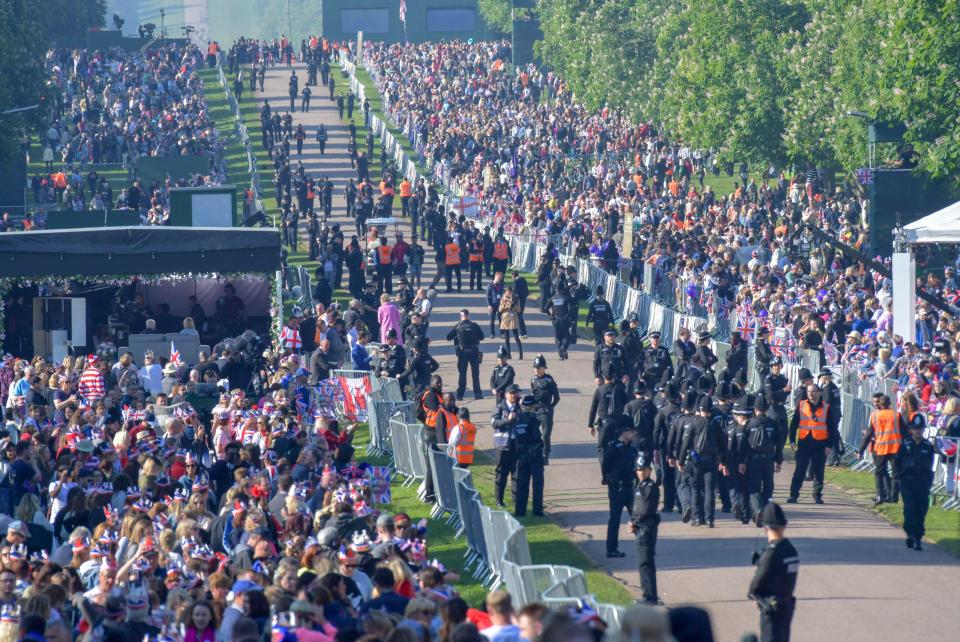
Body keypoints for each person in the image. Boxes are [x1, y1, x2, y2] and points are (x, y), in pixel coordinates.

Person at [749, 503, 799, 642]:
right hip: (787, 604)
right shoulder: (791, 550)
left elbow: (757, 582)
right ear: (784, 526)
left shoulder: (771, 553)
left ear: (766, 528)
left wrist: (753, 594)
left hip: (772, 609)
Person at [678, 396, 728, 527]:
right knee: (709, 491)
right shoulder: (715, 425)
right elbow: (723, 445)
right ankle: (710, 519)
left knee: (695, 489)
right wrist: (723, 461)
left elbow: (685, 444)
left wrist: (681, 461)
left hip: (696, 461)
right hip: (711, 461)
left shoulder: (695, 423)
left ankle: (697, 518)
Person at [787, 384, 839, 504]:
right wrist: (792, 441)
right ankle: (793, 495)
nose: (811, 394)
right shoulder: (801, 405)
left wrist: (829, 446)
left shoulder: (826, 407)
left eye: (813, 391)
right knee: (799, 470)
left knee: (819, 471)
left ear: (819, 392)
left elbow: (832, 429)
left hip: (820, 444)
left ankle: (817, 495)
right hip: (804, 442)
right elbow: (793, 425)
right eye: (809, 391)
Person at [897, 413, 936, 550]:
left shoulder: (928, 446)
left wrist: (929, 481)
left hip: (922, 482)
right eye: (915, 428)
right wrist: (898, 478)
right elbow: (897, 463)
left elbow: (931, 464)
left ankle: (918, 537)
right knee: (909, 509)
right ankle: (910, 533)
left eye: (920, 428)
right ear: (911, 429)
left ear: (923, 430)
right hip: (908, 481)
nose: (918, 431)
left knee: (921, 510)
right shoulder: (905, 444)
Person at [858, 394, 904, 505]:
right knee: (895, 473)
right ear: (890, 403)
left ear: (880, 404)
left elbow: (869, 435)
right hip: (895, 448)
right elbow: (904, 432)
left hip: (881, 448)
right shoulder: (896, 415)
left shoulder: (875, 416)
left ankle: (880, 496)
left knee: (879, 472)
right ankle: (894, 497)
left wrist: (861, 450)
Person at [602, 426, 638, 558]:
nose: (634, 434)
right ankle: (611, 549)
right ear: (624, 432)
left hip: (630, 486)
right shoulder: (614, 447)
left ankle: (644, 545)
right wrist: (609, 479)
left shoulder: (632, 448)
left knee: (638, 516)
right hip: (617, 487)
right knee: (615, 519)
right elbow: (605, 465)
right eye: (632, 432)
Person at [630, 452, 661, 605]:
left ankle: (650, 596)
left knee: (646, 562)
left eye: (643, 469)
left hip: (646, 528)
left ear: (649, 470)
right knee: (643, 563)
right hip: (639, 527)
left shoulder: (650, 487)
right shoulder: (640, 485)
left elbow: (646, 509)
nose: (640, 472)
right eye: (638, 470)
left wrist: (634, 522)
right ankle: (647, 594)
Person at [513, 395, 545, 517]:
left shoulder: (518, 418)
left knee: (522, 484)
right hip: (534, 454)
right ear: (532, 406)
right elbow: (536, 436)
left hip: (521, 455)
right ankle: (537, 511)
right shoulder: (533, 419)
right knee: (537, 484)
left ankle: (520, 511)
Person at [491, 385, 521, 509]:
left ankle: (516, 500)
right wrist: (507, 420)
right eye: (511, 393)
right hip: (502, 446)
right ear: (506, 395)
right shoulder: (500, 407)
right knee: (501, 474)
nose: (513, 395)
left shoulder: (519, 408)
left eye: (515, 393)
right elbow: (494, 423)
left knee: (516, 474)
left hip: (516, 445)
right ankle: (499, 500)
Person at [446, 309, 485, 401]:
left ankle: (460, 395)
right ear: (468, 315)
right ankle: (478, 394)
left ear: (461, 316)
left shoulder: (458, 326)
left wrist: (457, 336)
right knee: (475, 374)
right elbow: (482, 337)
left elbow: (448, 337)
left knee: (462, 374)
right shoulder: (474, 325)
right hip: (474, 352)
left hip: (462, 353)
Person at [530, 355, 560, 464]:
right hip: (535, 410)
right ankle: (535, 452)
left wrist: (550, 407)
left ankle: (545, 455)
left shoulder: (549, 380)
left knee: (546, 434)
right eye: (535, 368)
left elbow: (557, 397)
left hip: (546, 410)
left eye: (538, 368)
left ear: (544, 368)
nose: (536, 370)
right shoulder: (533, 379)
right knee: (533, 432)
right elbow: (533, 394)